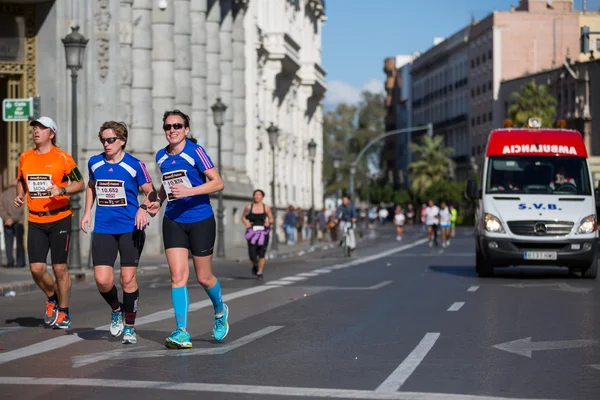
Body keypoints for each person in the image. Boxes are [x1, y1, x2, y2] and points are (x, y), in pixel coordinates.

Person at [149, 109, 228, 349]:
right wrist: (158, 201)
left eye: (177, 126)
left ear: (186, 129)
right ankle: (181, 331)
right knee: (177, 277)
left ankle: (219, 310)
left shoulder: (196, 152)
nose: (172, 130)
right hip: (173, 219)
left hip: (200, 219)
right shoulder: (161, 156)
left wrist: (191, 191)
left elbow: (218, 182)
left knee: (203, 277)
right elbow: (167, 185)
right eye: (168, 127)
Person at [80, 121, 156, 344]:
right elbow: (91, 186)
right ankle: (116, 310)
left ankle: (130, 328)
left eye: (111, 140)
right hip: (103, 228)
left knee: (127, 279)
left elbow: (151, 192)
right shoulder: (95, 162)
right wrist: (87, 213)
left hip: (130, 229)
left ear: (122, 141)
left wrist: (142, 208)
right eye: (103, 140)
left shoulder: (135, 165)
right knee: (102, 280)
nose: (106, 144)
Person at [14, 116, 85, 329]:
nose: (36, 131)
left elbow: (80, 183)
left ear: (51, 134)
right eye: (34, 128)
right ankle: (52, 296)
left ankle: (64, 311)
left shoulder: (63, 158)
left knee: (60, 268)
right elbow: (21, 181)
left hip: (60, 219)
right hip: (35, 219)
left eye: (41, 128)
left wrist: (62, 189)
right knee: (36, 269)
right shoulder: (25, 157)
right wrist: (20, 195)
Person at [241, 189, 274, 281]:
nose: (257, 196)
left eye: (259, 195)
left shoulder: (266, 207)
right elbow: (243, 217)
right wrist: (246, 223)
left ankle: (260, 272)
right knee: (252, 254)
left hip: (263, 233)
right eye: (255, 195)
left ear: (262, 197)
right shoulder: (248, 207)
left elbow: (271, 219)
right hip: (252, 233)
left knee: (262, 253)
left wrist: (269, 222)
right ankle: (255, 264)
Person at [1, 179, 25, 268]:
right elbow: (21, 209)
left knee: (8, 243)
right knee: (19, 243)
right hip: (19, 222)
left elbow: (1, 208)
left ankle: (10, 262)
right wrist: (13, 219)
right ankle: (20, 262)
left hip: (7, 223)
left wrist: (7, 219)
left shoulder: (3, 194)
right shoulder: (19, 194)